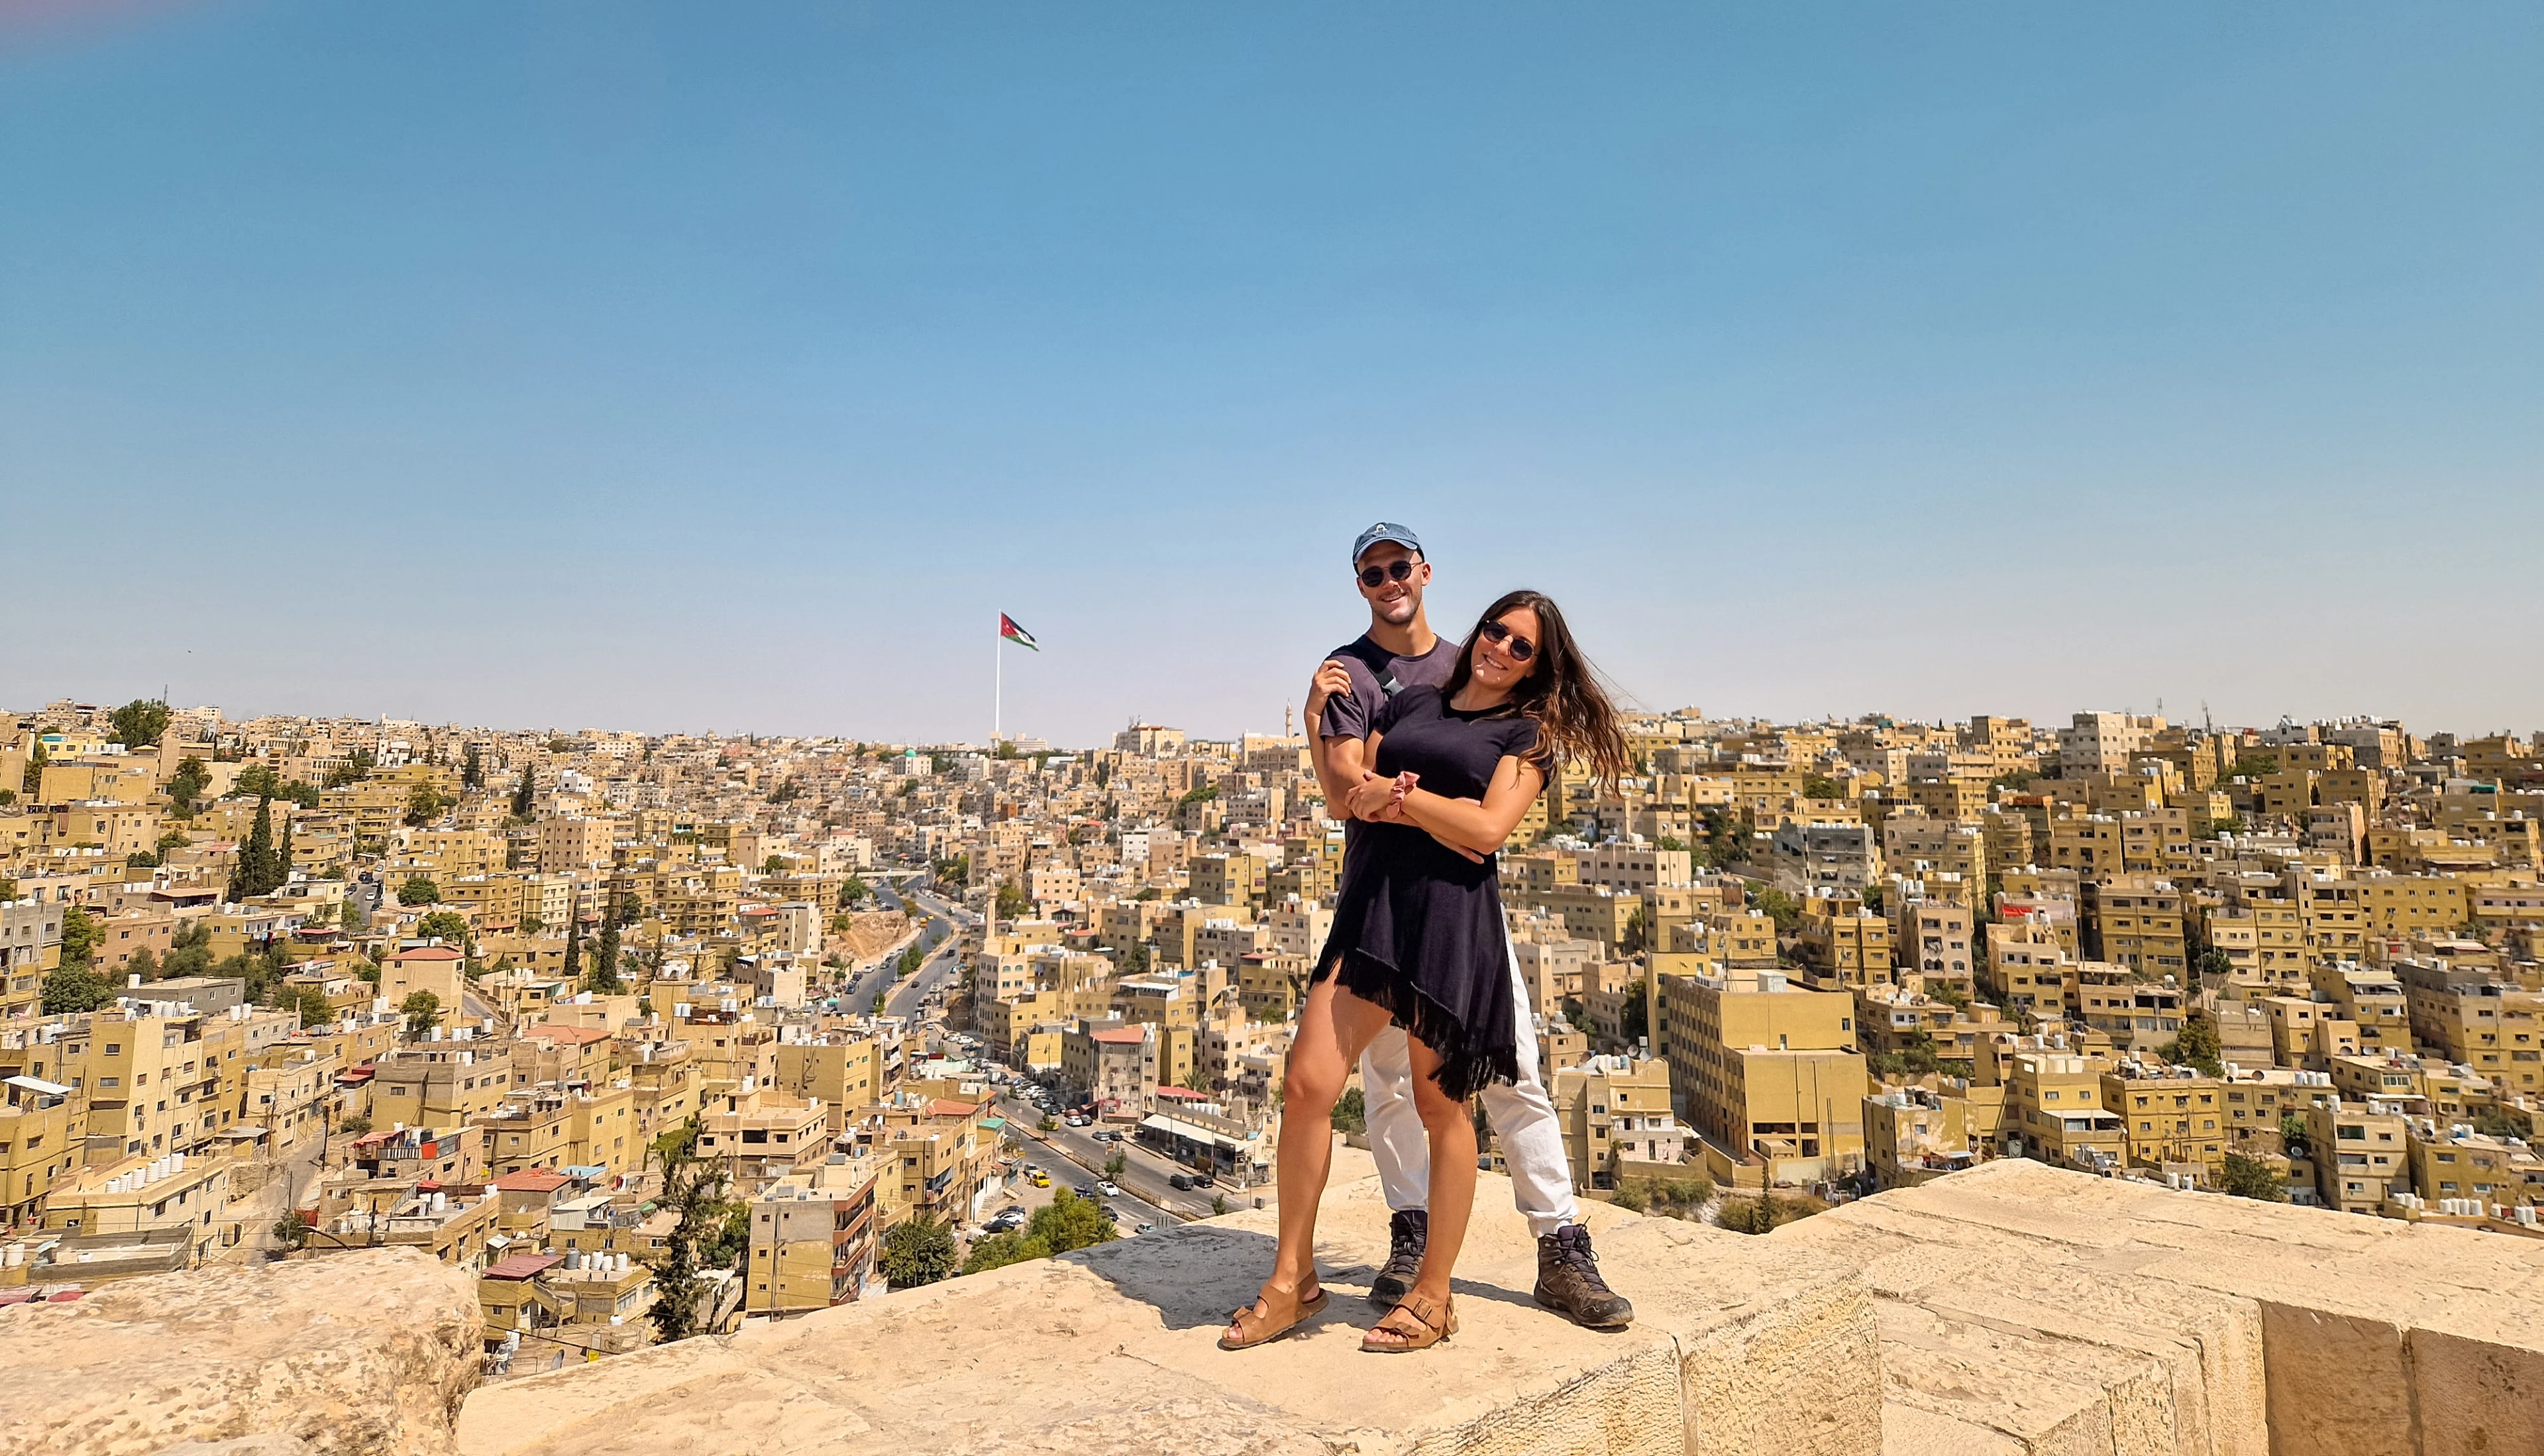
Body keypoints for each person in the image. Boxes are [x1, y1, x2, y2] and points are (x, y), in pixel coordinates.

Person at [1222, 551, 1632, 1354]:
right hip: (1374, 906)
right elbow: (1350, 794)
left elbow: (1482, 832)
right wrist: (1315, 726)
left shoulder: (1528, 733)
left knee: (1461, 1097)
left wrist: (1404, 799)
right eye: (1498, 632)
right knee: (1311, 1082)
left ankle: (1458, 1284)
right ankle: (1293, 1280)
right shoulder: (1410, 693)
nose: (1503, 649)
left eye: (1523, 647)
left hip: (1452, 918)